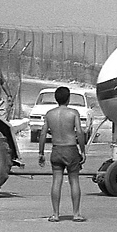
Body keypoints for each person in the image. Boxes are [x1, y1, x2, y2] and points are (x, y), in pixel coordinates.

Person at [38, 85, 86, 222]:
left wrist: (41, 153)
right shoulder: (73, 113)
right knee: (74, 180)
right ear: (69, 98)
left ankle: (55, 214)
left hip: (56, 149)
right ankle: (76, 213)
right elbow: (79, 132)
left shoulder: (50, 114)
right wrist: (82, 150)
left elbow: (42, 133)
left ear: (56, 98)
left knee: (56, 181)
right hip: (70, 149)